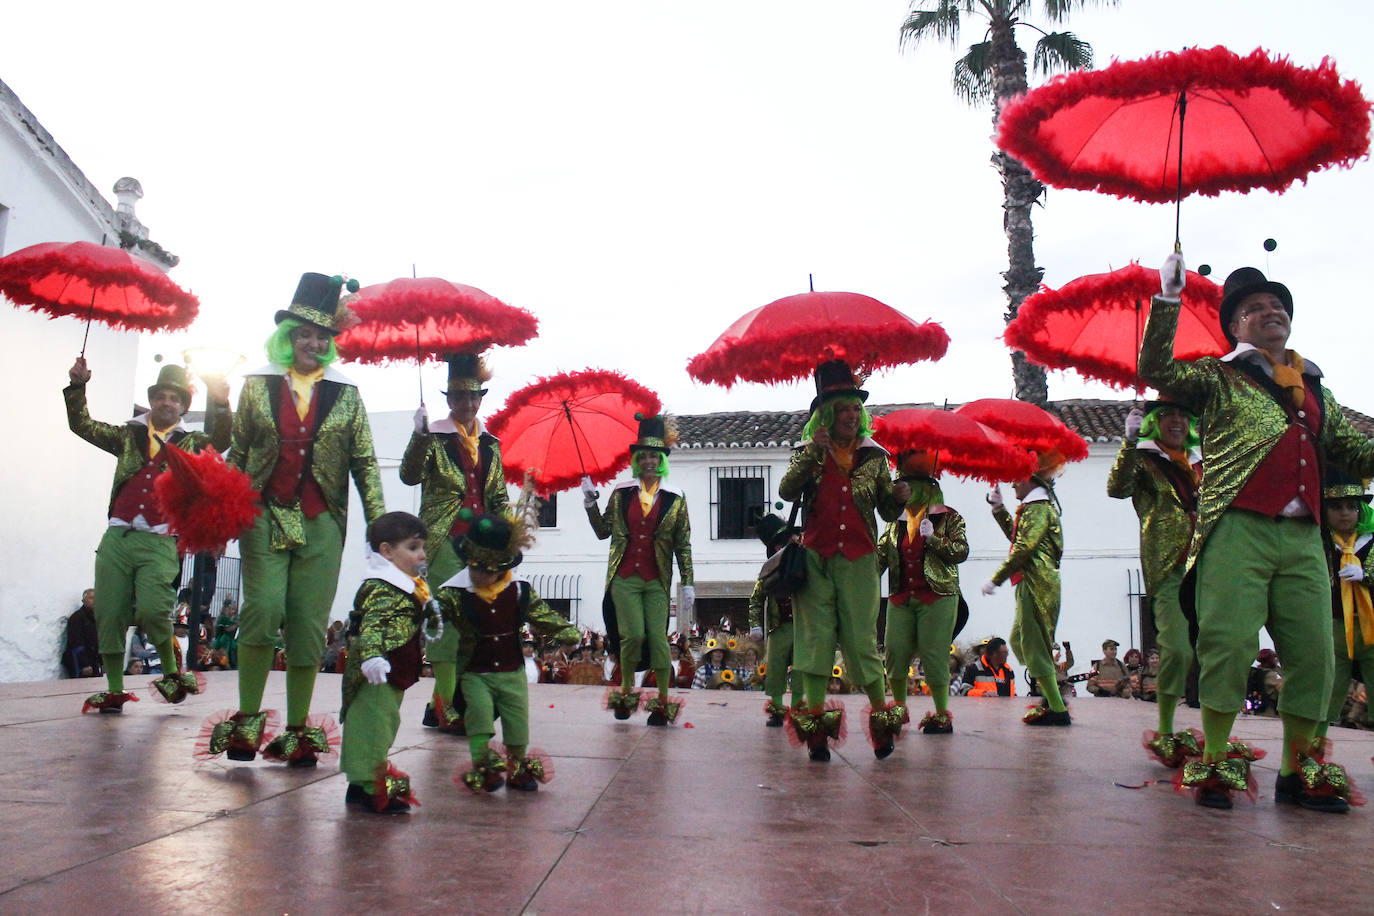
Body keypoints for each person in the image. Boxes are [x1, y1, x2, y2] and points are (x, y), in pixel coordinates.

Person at [1140, 253, 1374, 812]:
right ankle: (1217, 760)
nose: (1270, 312)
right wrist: (1168, 300)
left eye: (1277, 306)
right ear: (1236, 326)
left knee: (1315, 653)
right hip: (1237, 527)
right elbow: (1157, 370)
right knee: (1228, 643)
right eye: (1254, 308)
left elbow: (1350, 448)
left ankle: (1298, 770)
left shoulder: (1313, 382)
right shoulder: (1219, 376)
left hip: (1302, 537)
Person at [207, 272, 386, 764]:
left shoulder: (346, 393)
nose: (312, 342)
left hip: (322, 518)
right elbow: (240, 452)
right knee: (263, 609)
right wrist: (222, 516)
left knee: (308, 624)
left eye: (321, 335)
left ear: (331, 341)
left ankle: (297, 728)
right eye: (303, 333)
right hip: (262, 510)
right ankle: (247, 722)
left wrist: (381, 524)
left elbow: (365, 461)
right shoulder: (258, 385)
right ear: (287, 336)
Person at [65, 356, 230, 713]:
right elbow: (82, 425)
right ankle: (113, 690)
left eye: (175, 398)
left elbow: (224, 436)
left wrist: (218, 395)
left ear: (184, 406)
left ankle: (171, 673)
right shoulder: (128, 434)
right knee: (108, 613)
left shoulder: (193, 441)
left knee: (156, 611)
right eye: (161, 396)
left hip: (160, 540)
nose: (167, 403)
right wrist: (78, 387)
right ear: (152, 400)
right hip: (117, 539)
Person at [777, 359, 909, 761]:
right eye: (844, 408)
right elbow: (786, 490)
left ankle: (883, 724)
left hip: (859, 560)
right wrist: (811, 453)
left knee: (861, 641)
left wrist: (897, 498)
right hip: (815, 559)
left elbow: (885, 511)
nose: (852, 415)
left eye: (856, 408)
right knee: (814, 641)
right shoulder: (808, 450)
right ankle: (816, 732)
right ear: (828, 414)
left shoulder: (875, 457)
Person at [401, 352, 512, 735]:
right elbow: (408, 476)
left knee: (479, 627)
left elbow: (498, 497)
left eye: (473, 396)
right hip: (443, 541)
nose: (467, 403)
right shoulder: (434, 436)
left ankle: (454, 705)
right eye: (459, 396)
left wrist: (508, 538)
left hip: (481, 546)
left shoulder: (491, 444)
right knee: (446, 624)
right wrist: (418, 438)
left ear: (481, 398)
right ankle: (445, 705)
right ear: (448, 398)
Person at [438, 510, 580, 792]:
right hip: (475, 672)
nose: (482, 576)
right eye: (476, 568)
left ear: (502, 567)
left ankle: (517, 768)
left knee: (517, 722)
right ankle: (484, 768)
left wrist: (569, 633)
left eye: (490, 571)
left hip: (512, 670)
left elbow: (542, 615)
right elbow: (428, 614)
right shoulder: (452, 593)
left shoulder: (519, 591)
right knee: (478, 717)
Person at [583, 414, 694, 726]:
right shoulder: (622, 493)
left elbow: (683, 544)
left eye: (653, 455)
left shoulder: (675, 498)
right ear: (636, 459)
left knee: (658, 639)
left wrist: (688, 582)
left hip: (656, 579)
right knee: (632, 636)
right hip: (625, 578)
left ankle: (661, 701)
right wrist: (591, 502)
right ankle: (627, 692)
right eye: (642, 455)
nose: (648, 460)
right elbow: (603, 531)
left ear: (662, 460)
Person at [1108, 399, 1202, 764]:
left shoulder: (1199, 461)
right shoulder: (1145, 461)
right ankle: (1165, 728)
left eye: (1183, 413)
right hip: (1168, 569)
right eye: (1167, 414)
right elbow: (1117, 488)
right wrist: (1128, 443)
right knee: (1177, 649)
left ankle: (1214, 730)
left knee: (1219, 650)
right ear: (1153, 421)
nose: (1177, 420)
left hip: (1209, 565)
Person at [339, 512, 436, 814]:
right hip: (379, 669)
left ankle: (359, 782)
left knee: (382, 721)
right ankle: (369, 785)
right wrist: (371, 657)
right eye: (413, 547)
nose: (421, 554)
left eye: (422, 547)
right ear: (386, 551)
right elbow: (372, 625)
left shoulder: (404, 584)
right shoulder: (383, 586)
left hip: (394, 668)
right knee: (374, 724)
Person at [877, 449, 969, 739]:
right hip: (901, 596)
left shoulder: (950, 518)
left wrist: (934, 538)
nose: (906, 493)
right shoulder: (894, 524)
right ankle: (899, 708)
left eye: (910, 488)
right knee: (894, 651)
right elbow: (878, 558)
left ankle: (942, 714)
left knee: (934, 655)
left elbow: (961, 552)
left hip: (938, 595)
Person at [982, 455, 1069, 725]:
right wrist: (999, 509)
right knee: (1021, 641)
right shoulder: (1033, 509)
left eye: (1016, 478)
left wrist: (995, 579)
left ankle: (1056, 706)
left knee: (1032, 645)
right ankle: (1051, 695)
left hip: (1035, 583)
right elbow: (1020, 538)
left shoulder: (1038, 508)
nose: (1012, 485)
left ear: (1031, 480)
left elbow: (1023, 548)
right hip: (1028, 583)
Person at [1320, 470, 1374, 735]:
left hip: (1371, 627)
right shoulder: (1320, 542)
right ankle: (1323, 729)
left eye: (1351, 507)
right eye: (1336, 506)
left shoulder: (1371, 541)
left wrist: (1366, 574)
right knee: (1331, 681)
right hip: (1334, 626)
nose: (1344, 513)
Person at [747, 513, 799, 727]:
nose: (782, 547)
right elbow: (756, 599)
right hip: (778, 627)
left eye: (784, 542)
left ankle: (798, 708)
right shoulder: (768, 571)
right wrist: (755, 625)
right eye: (778, 544)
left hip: (801, 625)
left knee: (801, 669)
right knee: (775, 668)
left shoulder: (803, 561)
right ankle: (777, 710)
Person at [62, 589, 102, 678]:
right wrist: (84, 664)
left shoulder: (97, 618)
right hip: (81, 663)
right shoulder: (77, 618)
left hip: (95, 662)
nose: (94, 601)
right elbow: (76, 642)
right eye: (91, 598)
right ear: (83, 601)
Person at [214, 599, 239, 670]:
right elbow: (227, 629)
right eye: (231, 609)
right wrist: (237, 624)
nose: (233, 611)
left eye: (234, 609)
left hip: (230, 639)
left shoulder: (232, 619)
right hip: (223, 639)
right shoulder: (223, 618)